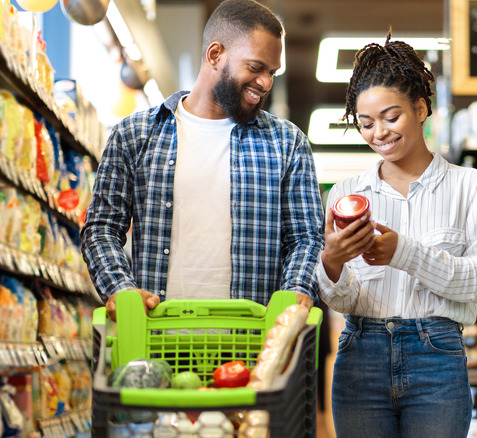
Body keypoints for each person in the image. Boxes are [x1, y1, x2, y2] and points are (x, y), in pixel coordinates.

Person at [80, 0, 324, 321]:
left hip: (254, 346)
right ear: (214, 55)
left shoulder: (287, 143)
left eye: (271, 72)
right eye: (255, 67)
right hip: (155, 339)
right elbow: (101, 228)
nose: (265, 83)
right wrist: (120, 288)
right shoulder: (134, 135)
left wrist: (296, 290)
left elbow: (306, 238)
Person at [318, 32, 477, 438]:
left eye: (391, 116)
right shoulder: (346, 194)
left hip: (437, 357)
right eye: (365, 123)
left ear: (420, 108)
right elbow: (344, 299)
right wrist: (330, 264)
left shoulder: (470, 185)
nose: (378, 133)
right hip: (359, 354)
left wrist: (404, 252)